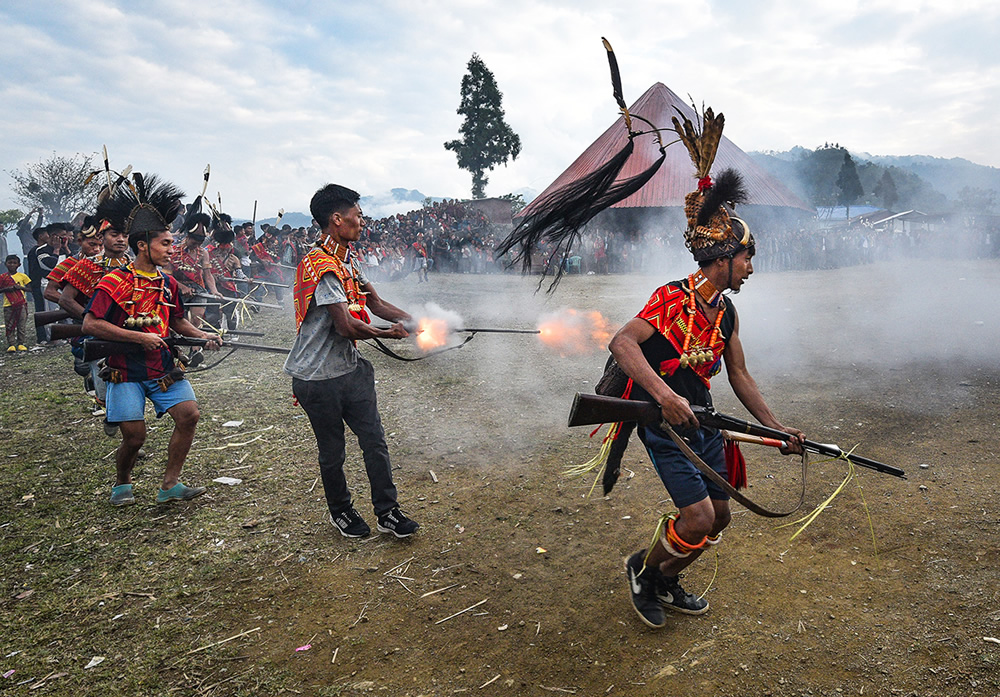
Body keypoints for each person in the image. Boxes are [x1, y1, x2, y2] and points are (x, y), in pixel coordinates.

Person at [609, 115, 804, 629]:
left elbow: (739, 375)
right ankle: (644, 575)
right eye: (747, 257)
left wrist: (775, 426)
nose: (751, 268)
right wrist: (663, 396)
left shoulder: (728, 312)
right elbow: (621, 343)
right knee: (695, 518)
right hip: (666, 426)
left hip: (704, 423)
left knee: (719, 517)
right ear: (721, 257)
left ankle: (665, 580)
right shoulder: (671, 299)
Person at [285, 184, 418, 539]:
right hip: (317, 378)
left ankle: (388, 512)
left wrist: (416, 319)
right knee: (333, 451)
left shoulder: (347, 260)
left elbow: (374, 303)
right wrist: (387, 334)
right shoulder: (321, 266)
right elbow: (345, 325)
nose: (362, 221)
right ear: (336, 219)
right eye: (357, 216)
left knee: (374, 440)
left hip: (351, 370)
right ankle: (341, 511)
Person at [82, 174, 220, 507]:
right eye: (166, 244)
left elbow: (178, 322)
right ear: (143, 245)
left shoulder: (168, 285)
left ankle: (170, 484)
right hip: (125, 371)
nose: (172, 249)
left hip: (163, 368)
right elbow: (90, 323)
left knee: (189, 416)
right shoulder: (116, 281)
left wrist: (204, 336)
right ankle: (122, 482)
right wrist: (137, 337)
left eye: (172, 243)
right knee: (134, 437)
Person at [1, 255, 30, 352]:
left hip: (21, 303)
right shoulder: (2, 277)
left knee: (21, 325)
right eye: (10, 263)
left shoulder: (23, 276)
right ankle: (11, 344)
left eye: (14, 263)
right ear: (6, 264)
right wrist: (7, 289)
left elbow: (30, 289)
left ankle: (21, 343)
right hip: (8, 304)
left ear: (19, 265)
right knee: (9, 325)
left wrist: (21, 288)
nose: (12, 265)